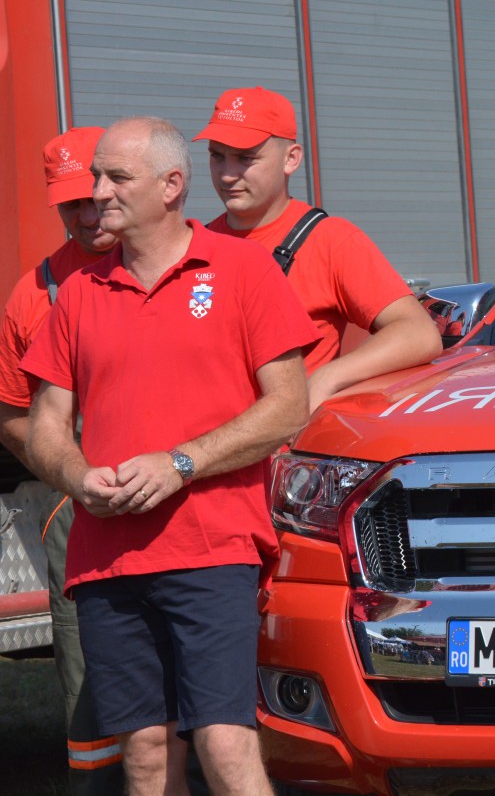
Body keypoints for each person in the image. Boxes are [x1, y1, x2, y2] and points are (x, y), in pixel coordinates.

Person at [21, 116, 319, 796]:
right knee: (146, 754)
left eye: (116, 177)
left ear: (171, 185)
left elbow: (287, 407)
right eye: (96, 176)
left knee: (224, 740)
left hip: (211, 549)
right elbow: (45, 426)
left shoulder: (242, 269)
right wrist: (77, 476)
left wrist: (180, 463)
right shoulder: (81, 293)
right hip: (107, 560)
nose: (99, 191)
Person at [0, 126, 125, 795]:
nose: (88, 214)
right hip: (76, 503)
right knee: (86, 657)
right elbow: (10, 413)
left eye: (95, 196)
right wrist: (67, 477)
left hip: (181, 488)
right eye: (71, 203)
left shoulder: (173, 266)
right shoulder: (34, 294)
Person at [195, 86, 440, 409]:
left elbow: (419, 333)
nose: (227, 175)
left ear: (291, 159)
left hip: (286, 439)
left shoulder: (331, 240)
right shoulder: (195, 245)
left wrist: (327, 378)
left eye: (245, 158)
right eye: (217, 156)